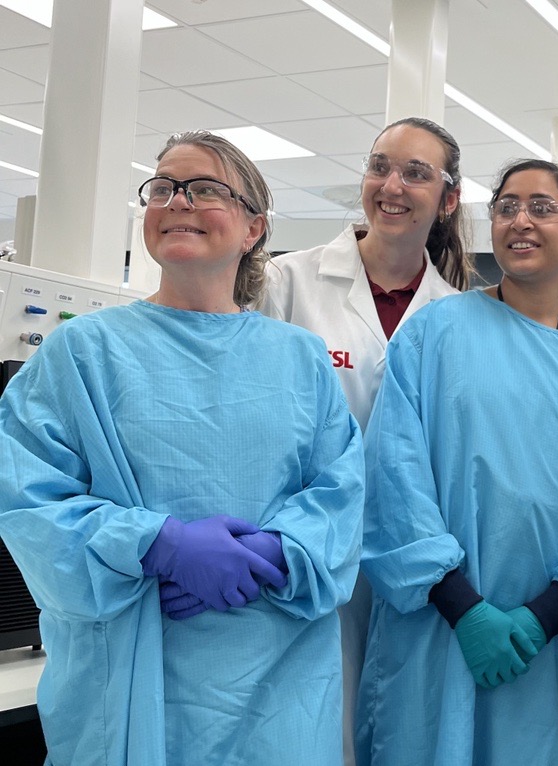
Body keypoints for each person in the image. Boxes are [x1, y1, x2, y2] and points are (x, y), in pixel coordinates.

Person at [0, 130, 364, 765]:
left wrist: (270, 556)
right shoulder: (81, 352)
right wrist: (160, 547)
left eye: (205, 189)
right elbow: (28, 502)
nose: (177, 201)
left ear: (254, 228)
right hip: (127, 677)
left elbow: (341, 495)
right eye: (163, 187)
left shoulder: (300, 358)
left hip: (278, 677)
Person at [356, 159, 558, 766]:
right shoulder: (435, 330)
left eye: (542, 208)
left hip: (546, 640)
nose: (520, 221)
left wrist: (548, 613)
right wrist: (461, 607)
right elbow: (393, 472)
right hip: (436, 624)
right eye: (506, 207)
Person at [260, 116, 472, 764]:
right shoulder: (285, 283)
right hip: (302, 547)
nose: (392, 185)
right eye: (380, 166)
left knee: (396, 721)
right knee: (307, 724)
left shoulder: (458, 311)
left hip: (407, 560)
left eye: (415, 173)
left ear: (448, 199)